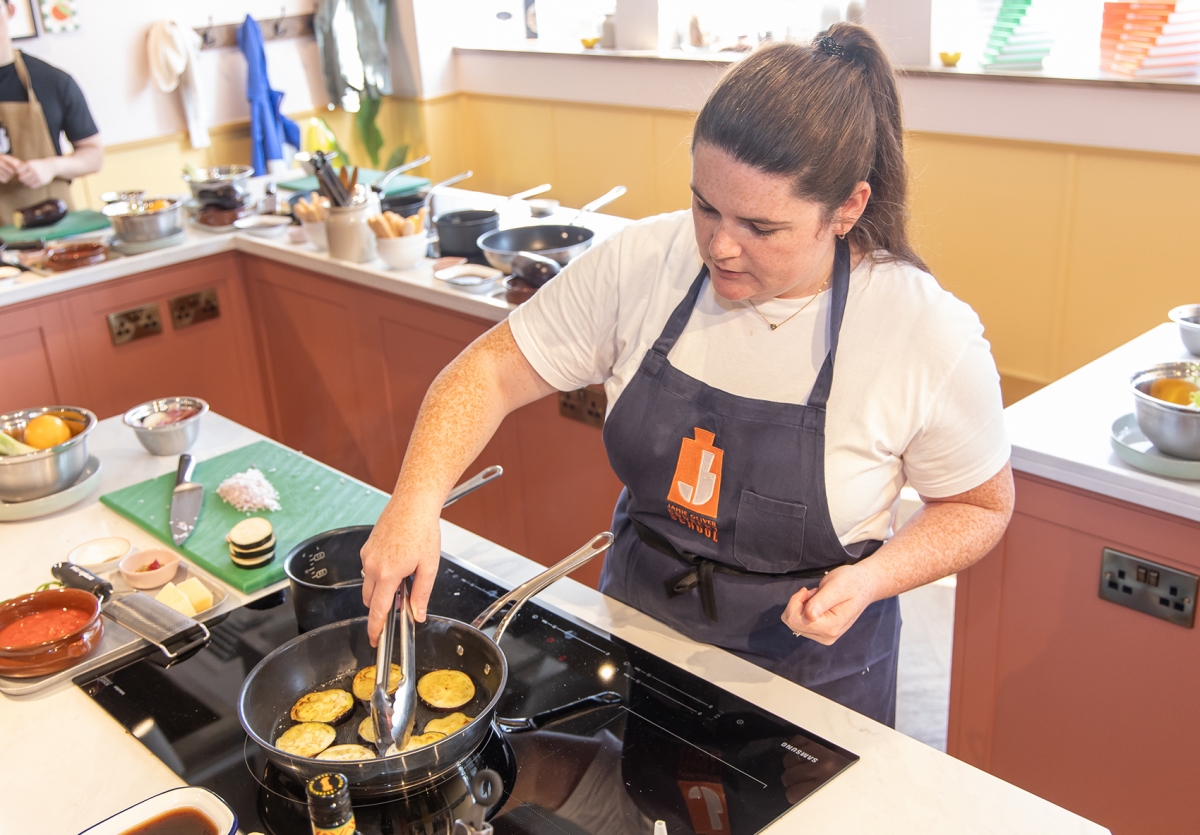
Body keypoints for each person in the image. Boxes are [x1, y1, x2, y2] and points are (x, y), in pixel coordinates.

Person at [360, 23, 1015, 726]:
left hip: (813, 677)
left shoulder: (923, 330)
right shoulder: (645, 262)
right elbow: (489, 369)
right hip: (637, 633)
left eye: (761, 227)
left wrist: (873, 577)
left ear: (847, 208)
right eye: (706, 205)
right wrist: (415, 500)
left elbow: (979, 506)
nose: (720, 246)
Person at [0, 0, 102, 217]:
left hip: (52, 225)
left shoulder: (54, 81)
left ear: (9, 10)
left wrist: (53, 166)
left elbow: (93, 155)